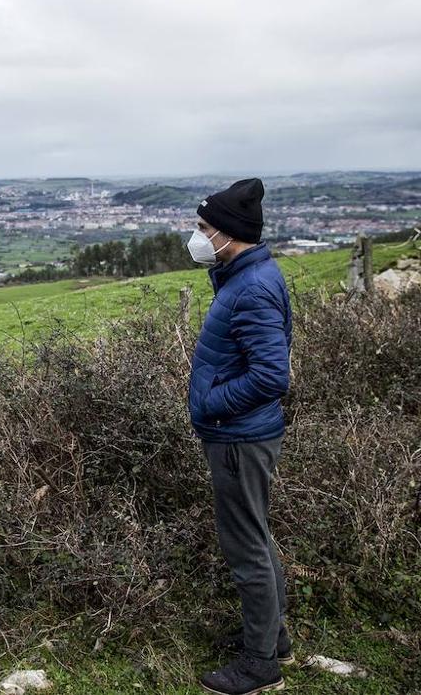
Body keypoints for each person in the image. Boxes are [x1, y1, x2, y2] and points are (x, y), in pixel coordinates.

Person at [186, 178, 293, 695]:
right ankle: (273, 636)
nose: (198, 236)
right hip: (244, 433)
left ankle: (259, 664)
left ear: (230, 233)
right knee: (256, 532)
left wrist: (213, 405)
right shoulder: (241, 276)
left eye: (205, 228)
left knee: (245, 545)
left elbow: (272, 375)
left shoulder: (251, 287)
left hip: (238, 437)